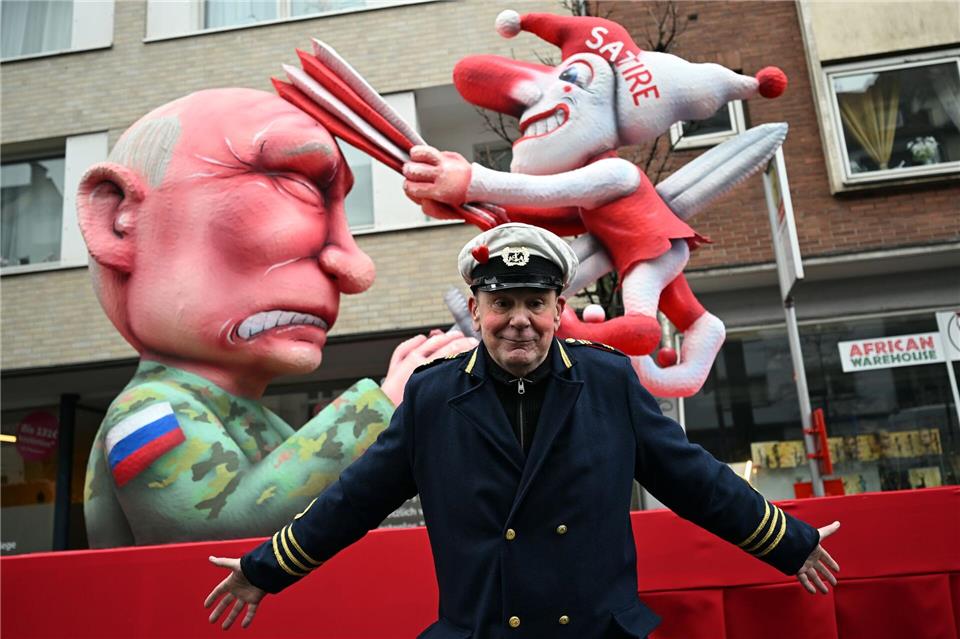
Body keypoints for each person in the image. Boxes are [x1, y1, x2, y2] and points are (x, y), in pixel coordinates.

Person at [205, 223, 840, 638]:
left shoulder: (608, 381)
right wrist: (267, 568)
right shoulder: (433, 396)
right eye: (502, 304)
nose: (520, 321)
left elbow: (692, 478)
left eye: (535, 303)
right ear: (475, 309)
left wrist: (788, 541)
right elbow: (355, 499)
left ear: (559, 309)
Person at [78, 88, 475, 547]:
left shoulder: (254, 420)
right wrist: (383, 406)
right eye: (297, 186)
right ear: (118, 221)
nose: (354, 269)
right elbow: (214, 535)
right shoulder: (149, 411)